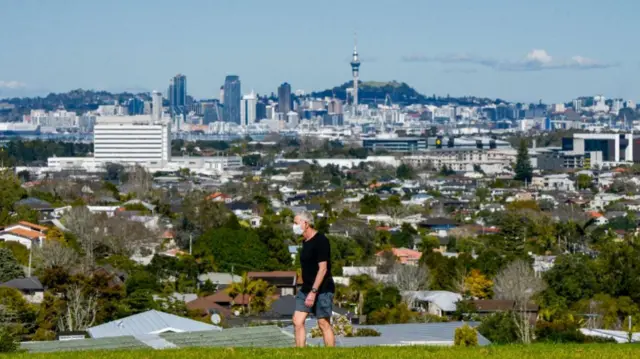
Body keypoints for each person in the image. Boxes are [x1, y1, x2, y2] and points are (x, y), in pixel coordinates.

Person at [292, 211, 335, 347]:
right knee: (297, 321)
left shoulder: (321, 240)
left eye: (296, 222)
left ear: (306, 224)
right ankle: (300, 352)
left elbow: (323, 269)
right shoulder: (305, 242)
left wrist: (313, 291)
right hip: (306, 288)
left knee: (323, 323)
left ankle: (331, 354)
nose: (294, 226)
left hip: (322, 289)